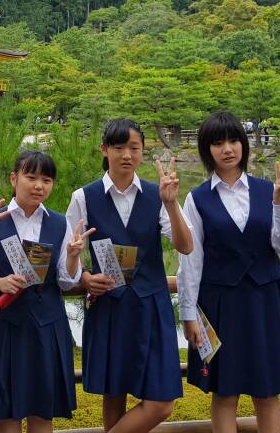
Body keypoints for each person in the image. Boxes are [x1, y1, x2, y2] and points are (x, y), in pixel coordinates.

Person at [66, 118, 193, 432]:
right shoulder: (84, 197)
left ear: (142, 151)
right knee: (114, 394)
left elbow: (186, 245)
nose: (126, 155)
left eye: (134, 148)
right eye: (119, 147)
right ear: (104, 149)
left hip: (152, 306)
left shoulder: (157, 195)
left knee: (162, 403)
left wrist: (171, 204)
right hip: (109, 305)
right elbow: (66, 255)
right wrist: (85, 278)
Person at [178, 111, 280, 433]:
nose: (227, 149)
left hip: (265, 300)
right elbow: (190, 260)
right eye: (217, 143)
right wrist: (188, 314)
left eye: (233, 140)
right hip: (220, 303)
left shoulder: (270, 190)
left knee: (267, 392)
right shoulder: (196, 198)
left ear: (243, 144)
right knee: (225, 392)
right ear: (207, 150)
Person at [0, 150, 89, 433]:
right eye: (31, 177)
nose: (39, 186)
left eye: (47, 180)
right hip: (6, 324)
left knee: (43, 411)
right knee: (8, 412)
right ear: (13, 178)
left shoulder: (59, 223)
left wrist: (72, 256)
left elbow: (67, 281)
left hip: (47, 324)